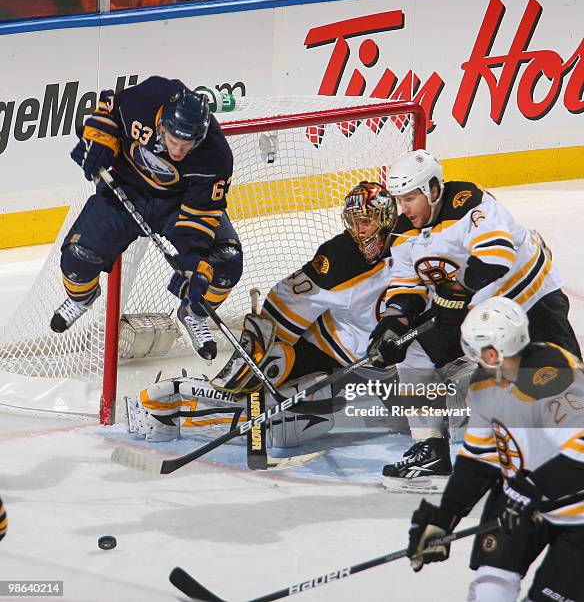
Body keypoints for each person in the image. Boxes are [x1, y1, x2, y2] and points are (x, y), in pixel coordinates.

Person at [128, 181, 405, 443]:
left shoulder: (410, 246)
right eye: (354, 222)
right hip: (329, 357)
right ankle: (173, 401)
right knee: (294, 415)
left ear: (386, 222)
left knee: (427, 421)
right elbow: (288, 301)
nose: (358, 231)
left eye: (365, 222)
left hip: (389, 365)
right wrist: (263, 347)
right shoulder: (339, 257)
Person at [367, 149, 581, 485]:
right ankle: (430, 449)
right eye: (399, 199)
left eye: (409, 198)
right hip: (478, 313)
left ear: (432, 190)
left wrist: (456, 290)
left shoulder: (469, 202)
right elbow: (407, 282)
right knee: (412, 352)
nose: (403, 208)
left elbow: (496, 257)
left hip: (531, 299)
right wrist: (395, 321)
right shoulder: (404, 229)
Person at [50, 76, 242, 361]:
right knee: (78, 258)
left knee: (225, 261)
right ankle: (82, 298)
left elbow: (201, 213)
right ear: (162, 125)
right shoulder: (147, 98)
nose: (178, 151)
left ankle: (193, 314)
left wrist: (193, 261)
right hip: (125, 191)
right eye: (174, 141)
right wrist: (100, 141)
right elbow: (108, 112)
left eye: (186, 145)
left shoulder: (216, 156)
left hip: (177, 204)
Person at [406, 296, 584, 602]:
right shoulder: (484, 387)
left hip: (575, 514)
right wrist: (444, 518)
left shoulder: (555, 375)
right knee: (490, 590)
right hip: (519, 499)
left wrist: (529, 493)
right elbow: (479, 460)